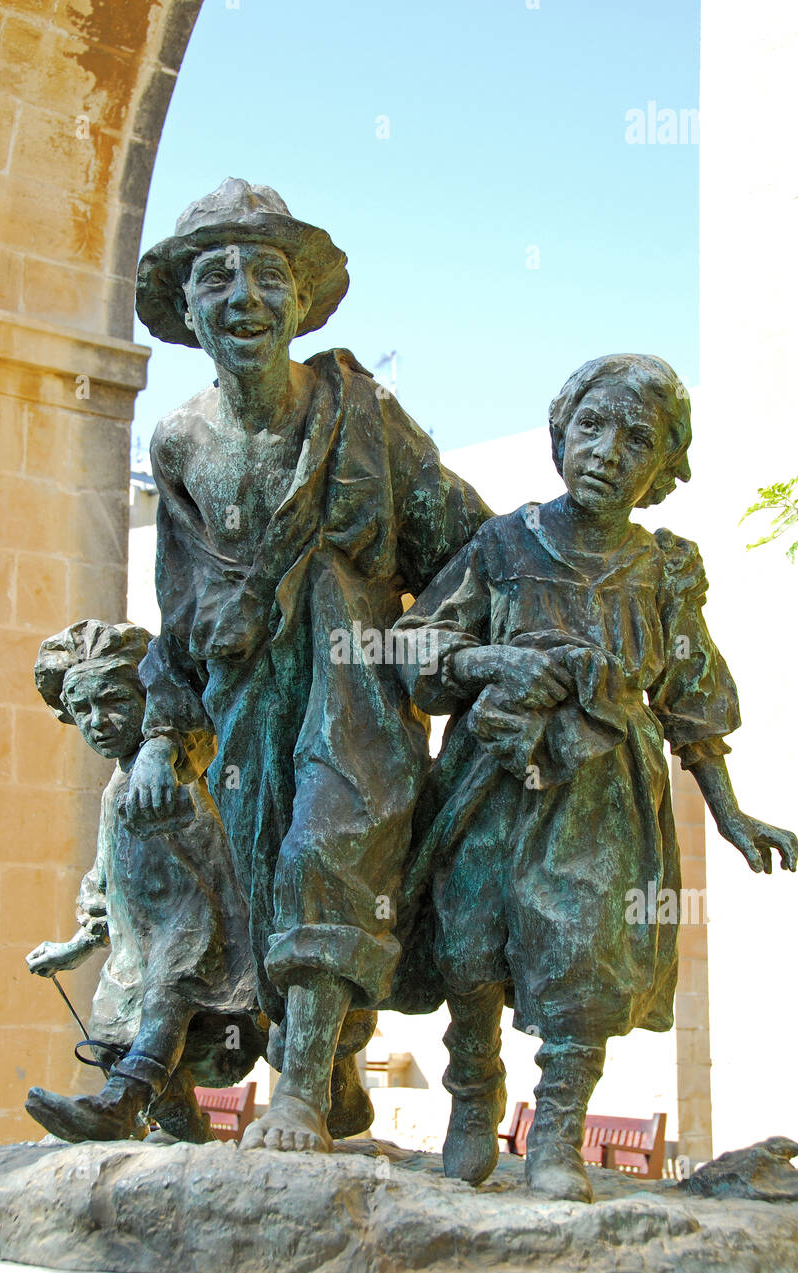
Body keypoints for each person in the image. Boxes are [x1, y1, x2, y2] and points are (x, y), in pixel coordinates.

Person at [125, 179, 492, 1153]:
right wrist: (165, 737)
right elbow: (178, 607)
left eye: (266, 273)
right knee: (259, 873)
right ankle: (322, 1068)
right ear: (190, 309)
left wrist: (438, 642)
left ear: (298, 300)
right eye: (217, 275)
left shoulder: (361, 410)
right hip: (247, 697)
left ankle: (297, 1092)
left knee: (327, 850)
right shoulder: (180, 443)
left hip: (354, 680)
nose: (242, 292)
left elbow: (467, 542)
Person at [393, 354, 798, 1199]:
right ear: (561, 432)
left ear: (662, 468)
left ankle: (557, 1139)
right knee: (470, 949)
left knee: (585, 963)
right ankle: (474, 1095)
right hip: (487, 786)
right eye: (592, 425)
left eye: (637, 439)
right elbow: (417, 648)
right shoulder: (502, 543)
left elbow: (690, 699)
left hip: (604, 798)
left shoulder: (663, 572)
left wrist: (733, 814)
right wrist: (497, 661)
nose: (608, 451)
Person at [24, 619, 267, 1143]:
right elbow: (105, 882)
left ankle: (119, 1105)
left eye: (113, 700)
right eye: (81, 710)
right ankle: (182, 1133)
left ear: (147, 698)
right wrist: (74, 948)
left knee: (169, 996)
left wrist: (166, 750)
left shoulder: (171, 763)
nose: (98, 721)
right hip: (140, 948)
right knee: (113, 1033)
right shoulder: (116, 788)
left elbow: (195, 742)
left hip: (198, 930)